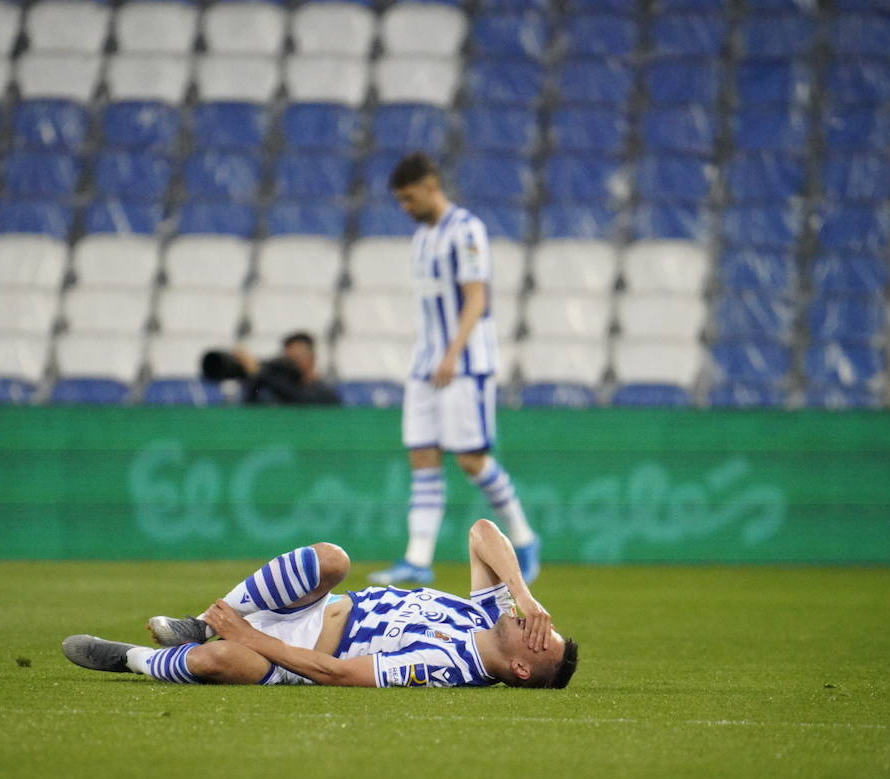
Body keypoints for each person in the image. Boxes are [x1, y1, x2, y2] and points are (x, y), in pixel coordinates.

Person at [62, 518, 579, 689]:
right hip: (313, 605)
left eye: (537, 637)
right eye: (540, 622)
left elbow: (334, 673)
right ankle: (197, 624)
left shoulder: (448, 667)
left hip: (299, 656)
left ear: (521, 669)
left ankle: (129, 658)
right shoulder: (490, 615)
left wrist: (249, 637)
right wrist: (525, 595)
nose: (532, 622)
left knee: (221, 659)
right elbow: (482, 531)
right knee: (331, 559)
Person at [368, 152, 540, 588]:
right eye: (400, 201)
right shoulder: (422, 238)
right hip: (426, 364)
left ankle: (523, 538)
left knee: (471, 460)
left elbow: (476, 298)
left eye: (409, 198)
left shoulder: (466, 230)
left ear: (430, 186)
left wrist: (453, 351)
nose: (405, 208)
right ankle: (417, 559)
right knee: (422, 455)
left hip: (464, 364)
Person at [202, 331, 340, 405]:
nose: (290, 364)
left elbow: (301, 402)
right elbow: (251, 410)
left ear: (312, 358)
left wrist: (259, 372)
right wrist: (252, 377)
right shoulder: (279, 389)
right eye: (287, 358)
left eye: (296, 358)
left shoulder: (324, 393)